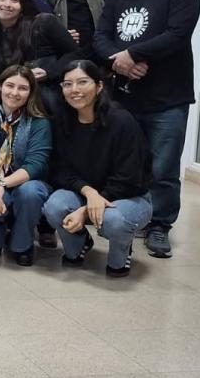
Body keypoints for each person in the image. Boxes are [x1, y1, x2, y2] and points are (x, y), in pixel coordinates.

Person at [93, 0, 199, 259]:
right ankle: (134, 217)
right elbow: (101, 36)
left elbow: (177, 35)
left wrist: (131, 54)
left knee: (163, 167)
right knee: (127, 163)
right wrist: (117, 60)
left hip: (167, 100)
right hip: (125, 100)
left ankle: (159, 226)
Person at [42, 61, 153, 277]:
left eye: (82, 82)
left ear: (99, 86)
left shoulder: (121, 121)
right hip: (84, 192)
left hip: (127, 197)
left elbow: (130, 177)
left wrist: (87, 209)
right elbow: (59, 169)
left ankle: (121, 255)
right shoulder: (61, 121)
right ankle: (80, 243)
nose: (75, 90)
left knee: (113, 221)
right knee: (54, 206)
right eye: (68, 84)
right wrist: (88, 192)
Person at [0, 65, 51, 266]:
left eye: (22, 88)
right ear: (0, 87)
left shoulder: (40, 124)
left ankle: (22, 245)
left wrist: (2, 185)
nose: (14, 93)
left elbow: (35, 164)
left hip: (24, 184)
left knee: (31, 193)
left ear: (31, 92)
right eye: (10, 85)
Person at [0, 0, 77, 109]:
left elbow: (75, 54)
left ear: (22, 5)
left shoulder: (43, 23)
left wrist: (49, 71)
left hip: (43, 100)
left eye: (14, 0)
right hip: (9, 101)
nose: (7, 4)